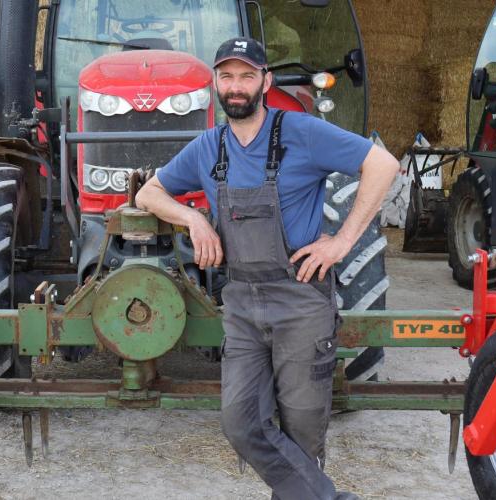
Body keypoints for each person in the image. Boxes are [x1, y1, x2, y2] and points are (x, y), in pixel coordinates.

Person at [135, 36, 398, 499]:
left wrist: (341, 242)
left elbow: (382, 164)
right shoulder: (206, 148)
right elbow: (147, 194)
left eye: (246, 76)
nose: (236, 87)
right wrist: (193, 217)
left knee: (302, 429)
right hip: (241, 304)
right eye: (227, 76)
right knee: (239, 422)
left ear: (265, 81)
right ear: (216, 83)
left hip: (300, 299)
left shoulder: (301, 131)